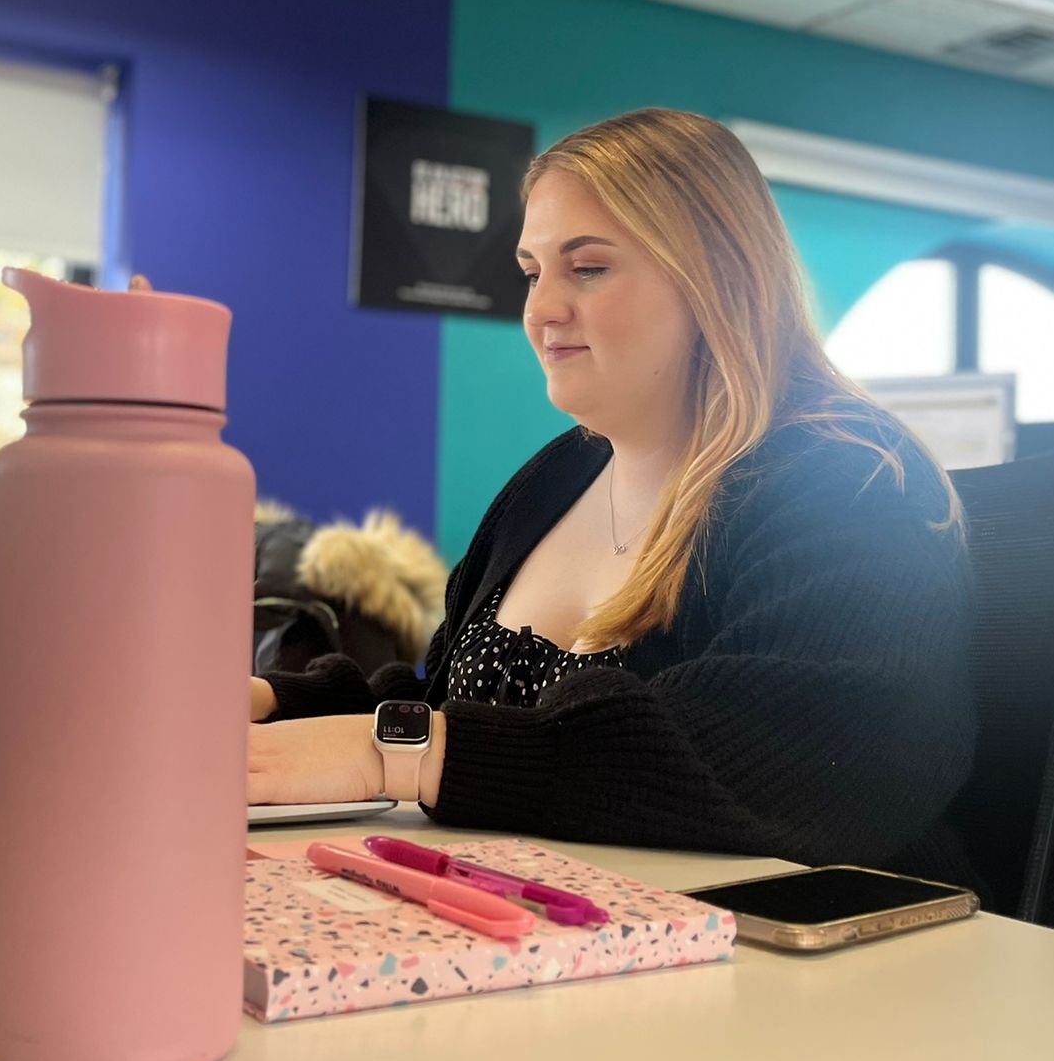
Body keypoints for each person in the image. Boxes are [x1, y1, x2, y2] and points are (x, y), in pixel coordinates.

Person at [247, 108, 979, 887]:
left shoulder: (852, 481)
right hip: (563, 937)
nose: (540, 310)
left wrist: (396, 753)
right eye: (533, 272)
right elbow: (453, 702)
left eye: (587, 268)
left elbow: (787, 757)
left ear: (716, 277)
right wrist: (267, 707)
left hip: (801, 965)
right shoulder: (553, 480)